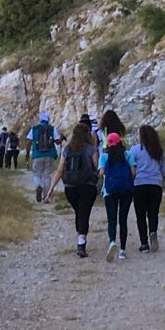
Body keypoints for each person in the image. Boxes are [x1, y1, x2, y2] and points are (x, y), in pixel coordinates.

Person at [44, 123, 99, 257]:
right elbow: (96, 167)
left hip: (70, 188)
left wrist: (50, 189)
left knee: (79, 212)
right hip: (87, 186)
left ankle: (80, 235)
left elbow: (60, 170)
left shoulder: (67, 149)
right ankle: (81, 243)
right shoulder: (92, 149)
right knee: (84, 212)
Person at [99, 132, 136, 261]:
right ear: (120, 142)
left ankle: (112, 242)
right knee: (123, 220)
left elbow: (101, 172)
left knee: (112, 219)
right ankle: (122, 250)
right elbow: (133, 172)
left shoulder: (104, 156)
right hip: (126, 190)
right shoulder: (128, 155)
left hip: (110, 191)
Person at [130, 125, 165, 253]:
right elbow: (164, 170)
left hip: (139, 185)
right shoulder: (159, 151)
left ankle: (144, 243)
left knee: (140, 215)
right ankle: (153, 233)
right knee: (153, 213)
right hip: (155, 185)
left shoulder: (134, 150)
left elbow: (131, 170)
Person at [25, 111, 61, 202]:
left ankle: (39, 186)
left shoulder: (34, 129)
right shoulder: (52, 129)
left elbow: (28, 141)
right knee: (47, 175)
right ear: (48, 119)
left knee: (37, 174)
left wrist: (27, 153)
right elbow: (57, 141)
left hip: (37, 155)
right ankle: (46, 197)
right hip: (49, 155)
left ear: (40, 119)